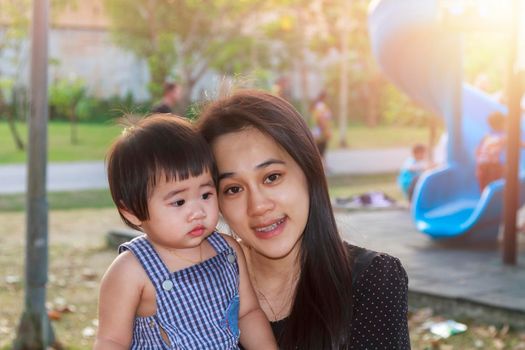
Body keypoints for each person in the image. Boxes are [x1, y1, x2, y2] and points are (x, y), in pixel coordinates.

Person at [198, 90, 410, 349]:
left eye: (272, 177)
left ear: (309, 171)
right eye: (233, 189)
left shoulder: (373, 280)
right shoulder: (198, 290)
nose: (259, 206)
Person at [95, 115, 277, 349]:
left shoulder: (228, 250)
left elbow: (248, 313)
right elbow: (111, 341)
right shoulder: (131, 270)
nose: (197, 212)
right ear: (131, 212)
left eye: (205, 195)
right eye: (179, 202)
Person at [476, 111, 507, 191]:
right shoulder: (503, 136)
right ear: (502, 123)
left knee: (484, 186)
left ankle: (484, 198)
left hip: (481, 164)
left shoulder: (487, 135)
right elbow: (516, 144)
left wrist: (478, 163)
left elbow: (478, 149)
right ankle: (494, 198)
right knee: (495, 182)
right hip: (492, 165)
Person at [310, 90, 333, 166]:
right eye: (328, 97)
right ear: (324, 97)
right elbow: (320, 119)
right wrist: (325, 131)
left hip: (320, 132)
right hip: (320, 132)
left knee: (321, 151)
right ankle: (322, 168)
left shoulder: (320, 105)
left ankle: (325, 166)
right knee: (320, 151)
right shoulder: (321, 106)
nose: (329, 99)